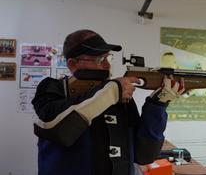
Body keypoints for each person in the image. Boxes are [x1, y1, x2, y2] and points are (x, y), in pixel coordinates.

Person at [32, 29, 186, 175]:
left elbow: (144, 156)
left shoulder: (120, 96)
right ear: (73, 64)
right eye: (99, 59)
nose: (107, 65)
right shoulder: (53, 88)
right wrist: (110, 92)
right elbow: (52, 125)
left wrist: (157, 105)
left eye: (108, 57)